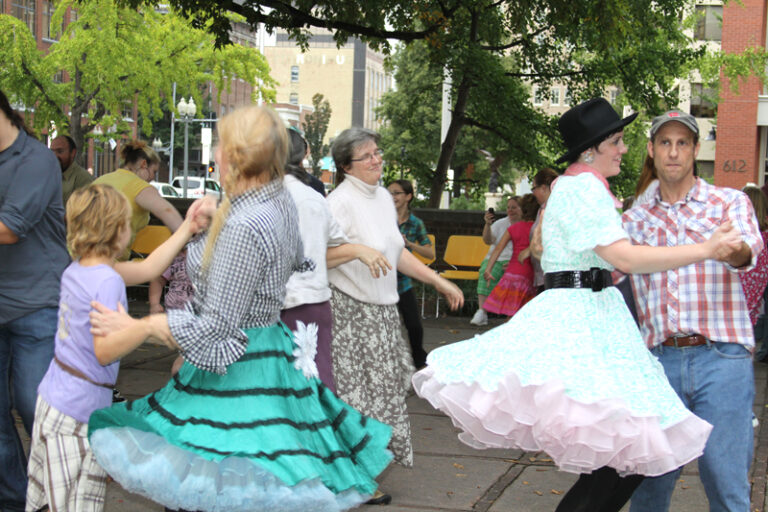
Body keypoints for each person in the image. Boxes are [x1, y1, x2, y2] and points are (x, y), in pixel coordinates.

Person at [413, 98, 744, 512]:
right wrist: (707, 248)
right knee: (626, 456)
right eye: (619, 141)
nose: (625, 149)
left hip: (589, 314)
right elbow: (624, 259)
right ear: (593, 149)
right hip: (583, 320)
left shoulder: (575, 187)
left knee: (622, 455)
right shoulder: (585, 188)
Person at [87, 106, 393, 512]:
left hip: (242, 367)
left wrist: (146, 326)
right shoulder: (279, 201)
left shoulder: (245, 223)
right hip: (269, 350)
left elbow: (217, 329)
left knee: (227, 480)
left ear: (236, 156)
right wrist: (211, 229)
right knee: (244, 480)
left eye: (219, 146)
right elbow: (298, 260)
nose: (215, 155)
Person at [25, 184, 208, 512]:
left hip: (58, 402)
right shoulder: (105, 281)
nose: (131, 230)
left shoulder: (82, 268)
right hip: (75, 413)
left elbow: (148, 269)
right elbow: (105, 351)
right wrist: (147, 326)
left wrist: (188, 228)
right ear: (115, 230)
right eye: (127, 224)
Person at [625, 110, 763, 512]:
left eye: (682, 143)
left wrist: (730, 248)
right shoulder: (632, 220)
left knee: (724, 481)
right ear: (651, 151)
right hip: (657, 363)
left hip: (721, 359)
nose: (673, 152)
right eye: (665, 143)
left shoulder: (729, 203)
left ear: (695, 150)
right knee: (648, 487)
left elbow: (745, 253)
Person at [327, 127, 464, 503]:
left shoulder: (383, 200)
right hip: (350, 314)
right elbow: (315, 257)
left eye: (377, 153)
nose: (376, 161)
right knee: (358, 400)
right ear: (345, 166)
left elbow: (397, 252)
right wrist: (355, 250)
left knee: (386, 397)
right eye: (366, 156)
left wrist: (439, 282)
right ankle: (354, 479)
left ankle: (359, 473)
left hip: (384, 315)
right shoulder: (338, 202)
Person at [0, 89, 71, 512]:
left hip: (37, 305)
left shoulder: (37, 161)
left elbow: (9, 227)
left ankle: (54, 497)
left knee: (36, 409)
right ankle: (15, 500)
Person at [282, 127, 391, 392]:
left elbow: (324, 250)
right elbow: (332, 247)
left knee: (293, 388)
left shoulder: (278, 197)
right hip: (309, 302)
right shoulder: (312, 198)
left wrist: (358, 250)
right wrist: (358, 250)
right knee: (313, 385)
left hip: (289, 303)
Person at [94, 140, 183, 260]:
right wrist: (186, 241)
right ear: (144, 164)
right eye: (154, 171)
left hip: (83, 258)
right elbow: (167, 211)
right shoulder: (139, 186)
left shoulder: (101, 180)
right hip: (111, 260)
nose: (152, 178)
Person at [388, 179, 435, 369]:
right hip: (381, 281)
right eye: (389, 193)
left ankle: (418, 361)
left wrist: (410, 244)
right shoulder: (382, 218)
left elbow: (430, 253)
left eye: (397, 193)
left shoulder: (415, 223)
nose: (393, 197)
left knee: (414, 326)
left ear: (408, 197)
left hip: (403, 283)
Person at [482, 194, 539, 319]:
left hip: (511, 273)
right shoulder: (537, 229)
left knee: (511, 312)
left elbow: (497, 249)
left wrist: (488, 269)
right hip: (528, 274)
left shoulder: (513, 228)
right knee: (522, 313)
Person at [469, 196, 522, 326]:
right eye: (508, 207)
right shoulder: (500, 224)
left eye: (514, 207)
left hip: (516, 261)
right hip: (496, 259)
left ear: (522, 208)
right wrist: (487, 224)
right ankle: (482, 312)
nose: (510, 210)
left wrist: (514, 263)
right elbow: (488, 241)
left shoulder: (528, 225)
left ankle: (514, 315)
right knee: (486, 270)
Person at [528, 168, 558, 293]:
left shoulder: (553, 209)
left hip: (552, 276)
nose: (533, 193)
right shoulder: (543, 209)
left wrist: (528, 250)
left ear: (544, 188)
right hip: (544, 275)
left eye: (534, 188)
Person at [50, 134, 94, 207]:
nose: (54, 156)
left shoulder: (82, 178)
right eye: (52, 151)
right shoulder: (48, 176)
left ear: (73, 153)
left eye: (60, 151)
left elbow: (86, 212)